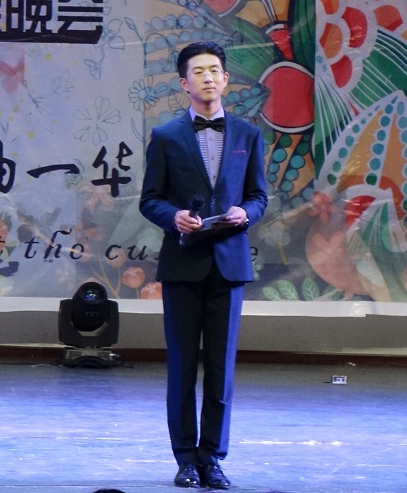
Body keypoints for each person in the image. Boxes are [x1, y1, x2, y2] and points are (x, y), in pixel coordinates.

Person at [138, 41, 269, 491]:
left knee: (220, 369)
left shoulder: (248, 135)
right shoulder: (166, 136)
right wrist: (173, 216)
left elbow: (259, 195)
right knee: (180, 368)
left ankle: (212, 457)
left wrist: (245, 213)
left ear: (226, 79)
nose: (208, 77)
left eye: (214, 70)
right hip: (182, 263)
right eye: (198, 71)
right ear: (184, 83)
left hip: (229, 265)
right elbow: (149, 199)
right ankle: (185, 460)